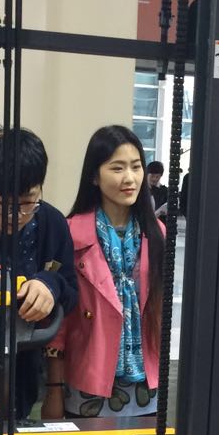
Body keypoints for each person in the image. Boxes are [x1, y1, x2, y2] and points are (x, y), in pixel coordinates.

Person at [43, 125, 165, 420]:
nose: (129, 178)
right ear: (94, 176)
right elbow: (61, 321)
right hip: (88, 380)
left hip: (146, 384)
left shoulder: (157, 233)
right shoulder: (70, 232)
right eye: (117, 168)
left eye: (136, 166)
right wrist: (54, 389)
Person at [0, 128, 78, 419]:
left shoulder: (52, 223)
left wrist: (50, 285)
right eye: (2, 205)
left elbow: (70, 289)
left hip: (20, 374)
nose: (15, 216)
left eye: (27, 202)